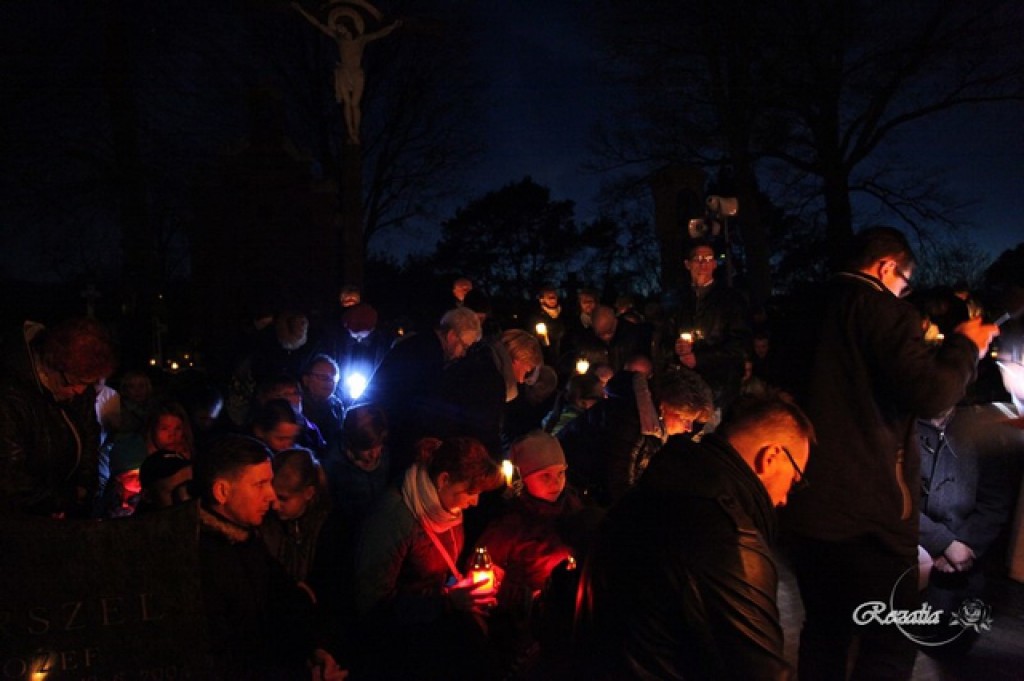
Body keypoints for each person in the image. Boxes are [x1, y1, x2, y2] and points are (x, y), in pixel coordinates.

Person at [782, 226, 1000, 681]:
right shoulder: (883, 311)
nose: (904, 293)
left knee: (824, 631)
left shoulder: (800, 312)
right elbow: (932, 394)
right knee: (887, 637)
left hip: (806, 505)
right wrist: (966, 345)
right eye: (904, 282)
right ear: (886, 267)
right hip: (869, 516)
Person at [576, 397, 816, 680]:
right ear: (772, 456)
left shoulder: (651, 491)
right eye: (795, 478)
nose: (786, 498)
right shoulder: (728, 540)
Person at [193, 434, 346, 679]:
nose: (271, 496)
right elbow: (235, 659)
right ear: (222, 491)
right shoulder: (205, 564)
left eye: (270, 483)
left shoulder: (247, 539)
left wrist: (313, 648)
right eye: (259, 485)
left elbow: (288, 599)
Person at [352, 436, 503, 679]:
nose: (474, 502)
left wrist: (473, 579)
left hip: (434, 617)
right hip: (402, 641)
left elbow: (441, 569)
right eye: (470, 492)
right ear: (444, 479)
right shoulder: (393, 519)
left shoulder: (445, 508)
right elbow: (373, 607)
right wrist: (446, 602)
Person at [0, 316, 116, 517]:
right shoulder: (11, 395)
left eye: (87, 384)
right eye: (74, 381)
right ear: (51, 364)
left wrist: (85, 487)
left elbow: (89, 437)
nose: (80, 391)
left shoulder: (77, 388)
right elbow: (10, 478)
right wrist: (59, 500)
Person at [558, 367, 714, 507]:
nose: (688, 428)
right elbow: (618, 487)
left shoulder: (652, 421)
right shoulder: (627, 422)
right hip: (570, 492)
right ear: (665, 406)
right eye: (686, 420)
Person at [362, 306, 482, 479]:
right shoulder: (429, 356)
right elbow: (419, 407)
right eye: (464, 346)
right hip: (389, 433)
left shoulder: (420, 344)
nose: (463, 354)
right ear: (451, 336)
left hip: (382, 424)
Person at [659, 240, 752, 411]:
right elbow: (663, 338)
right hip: (684, 385)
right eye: (698, 258)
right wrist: (675, 347)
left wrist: (701, 358)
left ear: (715, 264)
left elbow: (740, 343)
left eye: (708, 258)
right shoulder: (676, 300)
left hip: (720, 384)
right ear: (687, 264)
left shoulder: (731, 299)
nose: (703, 263)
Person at [293, 2, 400, 145]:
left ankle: (356, 132)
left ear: (348, 26)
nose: (338, 29)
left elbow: (378, 34)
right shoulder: (338, 39)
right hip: (343, 73)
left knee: (355, 104)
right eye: (337, 27)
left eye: (340, 27)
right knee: (347, 104)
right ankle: (350, 132)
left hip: (356, 74)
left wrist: (393, 27)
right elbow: (318, 24)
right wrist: (301, 10)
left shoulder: (360, 40)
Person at [262, 447, 332, 584]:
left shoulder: (328, 529)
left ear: (308, 493)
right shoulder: (265, 522)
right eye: (272, 496)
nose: (274, 505)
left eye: (283, 498)